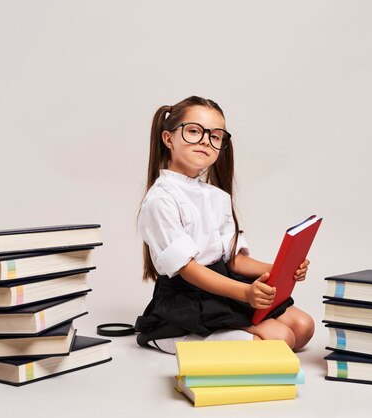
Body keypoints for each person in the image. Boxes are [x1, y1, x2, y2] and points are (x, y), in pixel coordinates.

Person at [134, 96, 314, 354]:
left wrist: (282, 269)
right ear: (168, 139)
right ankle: (170, 336)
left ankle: (234, 331)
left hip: (223, 285)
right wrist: (245, 293)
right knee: (281, 339)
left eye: (215, 136)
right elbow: (189, 271)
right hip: (188, 295)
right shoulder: (161, 198)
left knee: (303, 326)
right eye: (194, 131)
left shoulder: (216, 196)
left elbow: (233, 260)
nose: (206, 140)